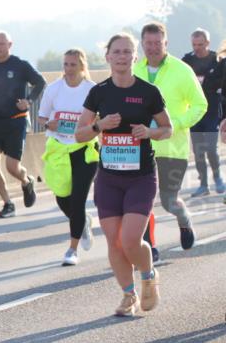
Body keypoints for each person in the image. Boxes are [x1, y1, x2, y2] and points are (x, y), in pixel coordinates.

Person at [75, 33, 172, 317]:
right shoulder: (99, 92)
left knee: (130, 239)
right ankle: (128, 296)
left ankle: (148, 273)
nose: (121, 56)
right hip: (108, 178)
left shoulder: (148, 92)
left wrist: (149, 132)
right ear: (107, 57)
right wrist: (99, 126)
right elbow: (79, 134)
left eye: (127, 52)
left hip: (140, 177)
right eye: (116, 52)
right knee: (114, 241)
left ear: (135, 56)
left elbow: (168, 129)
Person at [131, 22, 206, 251]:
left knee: (169, 201)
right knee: (142, 201)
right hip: (140, 148)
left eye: (157, 43)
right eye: (148, 43)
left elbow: (200, 105)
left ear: (166, 43)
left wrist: (177, 124)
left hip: (172, 148)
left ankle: (184, 221)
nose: (153, 48)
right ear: (142, 44)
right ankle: (149, 247)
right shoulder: (135, 71)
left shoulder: (182, 70)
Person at [0, 32, 46, 218]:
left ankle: (26, 180)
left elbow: (40, 82)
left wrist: (29, 101)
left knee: (12, 167)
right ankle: (7, 203)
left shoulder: (20, 65)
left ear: (9, 44)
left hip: (17, 119)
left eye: (1, 44)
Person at [37, 48, 98, 266]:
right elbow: (41, 116)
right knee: (63, 198)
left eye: (73, 65)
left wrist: (92, 126)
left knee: (79, 198)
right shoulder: (53, 89)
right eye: (65, 64)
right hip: (59, 149)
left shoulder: (92, 90)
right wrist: (48, 123)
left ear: (82, 66)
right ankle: (83, 223)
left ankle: (72, 250)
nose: (69, 69)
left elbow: (100, 117)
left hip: (84, 148)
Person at [182, 28, 225, 196]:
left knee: (211, 148)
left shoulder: (218, 60)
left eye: (200, 44)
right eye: (194, 44)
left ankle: (218, 178)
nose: (197, 47)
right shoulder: (187, 60)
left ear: (208, 43)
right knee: (198, 150)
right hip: (194, 112)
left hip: (213, 110)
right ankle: (204, 185)